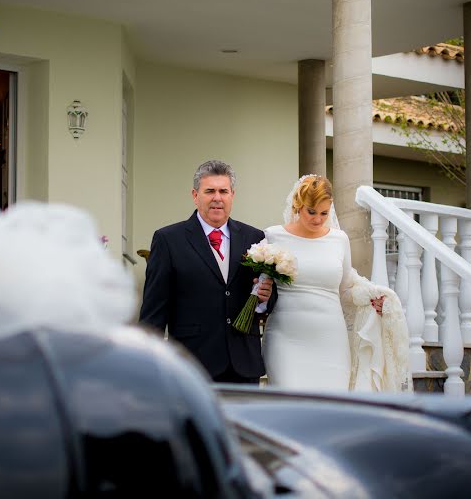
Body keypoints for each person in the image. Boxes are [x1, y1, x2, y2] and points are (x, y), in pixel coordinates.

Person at [262, 175, 411, 392]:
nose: (318, 219)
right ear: (298, 205)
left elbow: (346, 289)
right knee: (292, 402)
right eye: (311, 212)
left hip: (331, 341)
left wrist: (371, 298)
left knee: (331, 407)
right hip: (286, 339)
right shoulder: (273, 236)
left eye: (324, 213)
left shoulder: (339, 239)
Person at [139, 160, 275, 383]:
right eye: (209, 191)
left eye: (223, 191)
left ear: (232, 195)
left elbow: (270, 301)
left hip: (243, 364)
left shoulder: (255, 238)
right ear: (195, 195)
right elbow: (153, 311)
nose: (217, 198)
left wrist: (263, 299)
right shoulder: (168, 240)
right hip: (191, 364)